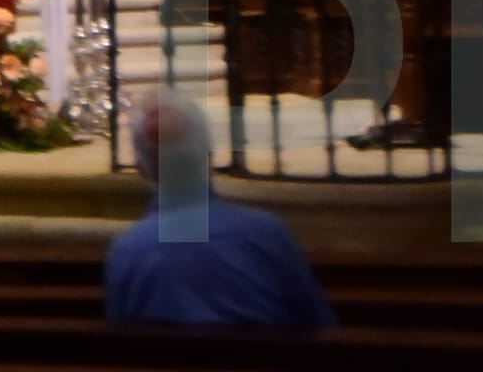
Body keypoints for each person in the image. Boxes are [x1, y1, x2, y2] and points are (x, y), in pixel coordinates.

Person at [105, 93, 334, 331]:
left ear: (142, 169)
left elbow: (120, 330)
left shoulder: (128, 251)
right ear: (210, 155)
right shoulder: (267, 235)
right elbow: (315, 323)